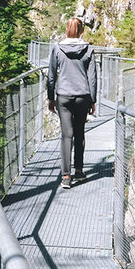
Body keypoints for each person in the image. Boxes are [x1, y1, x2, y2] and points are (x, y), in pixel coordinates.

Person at [47, 17, 97, 189]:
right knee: (79, 133)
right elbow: (92, 77)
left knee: (66, 135)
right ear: (81, 31)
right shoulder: (89, 49)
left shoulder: (57, 48)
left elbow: (51, 75)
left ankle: (66, 176)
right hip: (83, 95)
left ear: (67, 30)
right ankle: (79, 171)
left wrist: (50, 98)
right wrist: (93, 100)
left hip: (63, 96)